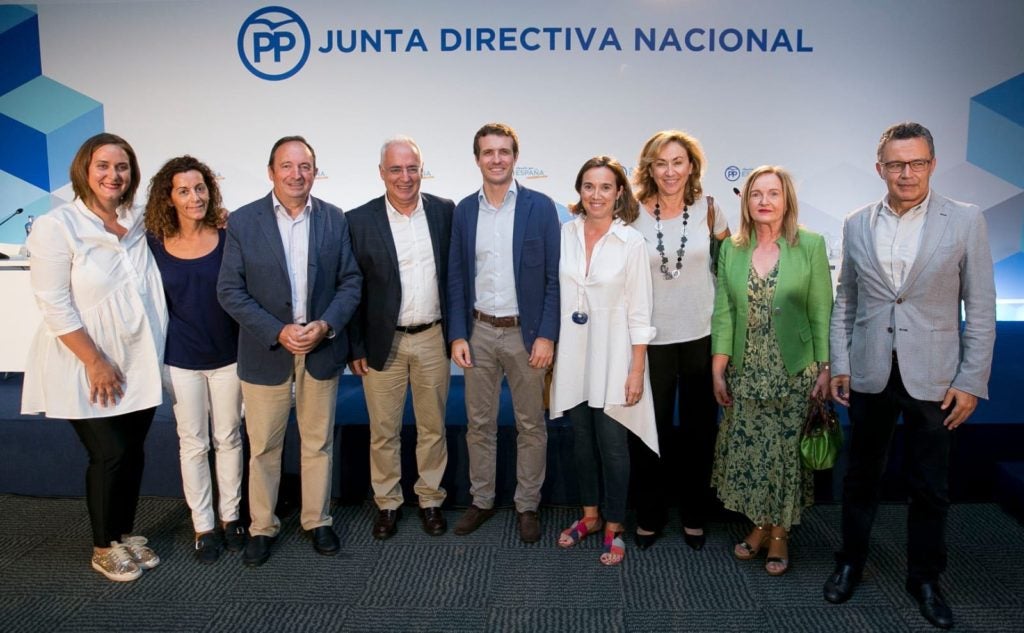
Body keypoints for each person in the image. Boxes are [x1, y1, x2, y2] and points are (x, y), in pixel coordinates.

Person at [823, 122, 996, 630]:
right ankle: (850, 562)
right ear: (880, 169)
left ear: (932, 165)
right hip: (871, 373)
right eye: (896, 164)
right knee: (859, 479)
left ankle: (925, 578)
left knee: (929, 487)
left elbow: (980, 309)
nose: (906, 173)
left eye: (917, 162)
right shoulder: (856, 222)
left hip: (936, 378)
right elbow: (847, 301)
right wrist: (842, 363)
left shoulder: (965, 220)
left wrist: (970, 380)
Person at [21, 133, 168, 582]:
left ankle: (123, 532)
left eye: (122, 167)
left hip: (137, 360)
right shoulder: (58, 225)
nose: (113, 175)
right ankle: (104, 546)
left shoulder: (140, 219)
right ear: (84, 169)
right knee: (109, 452)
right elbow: (54, 303)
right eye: (103, 165)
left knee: (133, 452)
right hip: (86, 362)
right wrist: (94, 360)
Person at [217, 136, 362, 567]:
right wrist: (277, 331)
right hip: (267, 351)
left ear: (315, 172)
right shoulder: (243, 222)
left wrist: (326, 325)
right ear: (271, 171)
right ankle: (262, 526)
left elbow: (350, 282)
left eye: (305, 166)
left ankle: (317, 521)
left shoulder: (336, 219)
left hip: (320, 349)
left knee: (317, 443)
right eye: (287, 166)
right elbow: (229, 289)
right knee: (263, 446)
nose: (297, 174)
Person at [710, 165, 832, 576]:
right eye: (756, 193)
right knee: (753, 454)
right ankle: (760, 525)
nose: (764, 201)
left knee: (783, 457)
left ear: (787, 200)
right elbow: (724, 311)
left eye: (773, 193)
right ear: (746, 201)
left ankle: (780, 534)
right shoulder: (733, 248)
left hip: (794, 371)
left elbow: (821, 310)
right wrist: (719, 366)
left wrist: (824, 368)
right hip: (747, 371)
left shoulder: (810, 245)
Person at [447, 123, 560, 543]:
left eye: (505, 151)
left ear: (515, 156)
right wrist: (458, 334)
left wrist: (547, 334)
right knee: (479, 425)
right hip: (478, 332)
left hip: (526, 335)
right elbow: (456, 277)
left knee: (531, 425)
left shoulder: (540, 207)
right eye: (488, 152)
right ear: (477, 158)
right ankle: (482, 500)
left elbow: (553, 278)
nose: (497, 159)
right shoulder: (464, 210)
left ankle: (527, 505)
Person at [550, 156, 656, 566]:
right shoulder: (564, 234)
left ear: (618, 193)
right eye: (589, 186)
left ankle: (615, 526)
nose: (596, 195)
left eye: (605, 187)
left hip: (614, 357)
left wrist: (636, 370)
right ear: (579, 191)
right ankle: (589, 516)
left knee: (613, 446)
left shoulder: (631, 243)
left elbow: (641, 313)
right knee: (581, 444)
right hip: (574, 355)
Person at [346, 136, 454, 539]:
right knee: (384, 431)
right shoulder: (357, 220)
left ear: (421, 170)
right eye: (396, 169)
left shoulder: (445, 212)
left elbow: (455, 279)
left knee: (433, 427)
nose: (405, 177)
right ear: (381, 173)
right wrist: (355, 345)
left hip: (432, 337)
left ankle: (430, 499)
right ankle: (388, 503)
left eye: (412, 168)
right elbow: (351, 289)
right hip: (382, 342)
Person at [628, 130, 730, 551]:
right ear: (649, 168)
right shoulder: (630, 212)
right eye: (661, 163)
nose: (670, 171)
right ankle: (650, 512)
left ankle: (694, 512)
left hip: (701, 337)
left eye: (678, 162)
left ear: (692, 167)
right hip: (650, 341)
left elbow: (727, 277)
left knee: (698, 431)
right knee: (648, 432)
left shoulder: (710, 210)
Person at [144, 155, 245, 563]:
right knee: (193, 443)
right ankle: (203, 525)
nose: (194, 197)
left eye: (200, 188)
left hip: (229, 356)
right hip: (181, 359)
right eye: (183, 190)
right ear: (168, 198)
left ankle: (231, 517)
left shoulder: (229, 232)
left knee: (229, 437)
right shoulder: (152, 241)